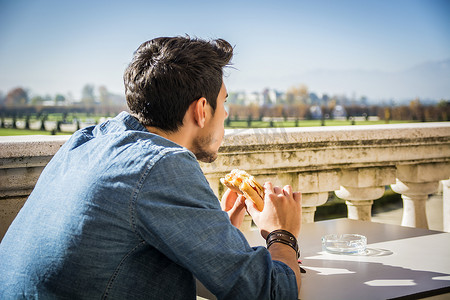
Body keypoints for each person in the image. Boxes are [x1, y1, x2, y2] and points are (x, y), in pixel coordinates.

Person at [0, 36, 302, 299]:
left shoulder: (88, 140)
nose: (225, 114)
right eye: (223, 103)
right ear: (201, 110)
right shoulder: (163, 165)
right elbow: (271, 291)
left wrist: (209, 232)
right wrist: (282, 233)